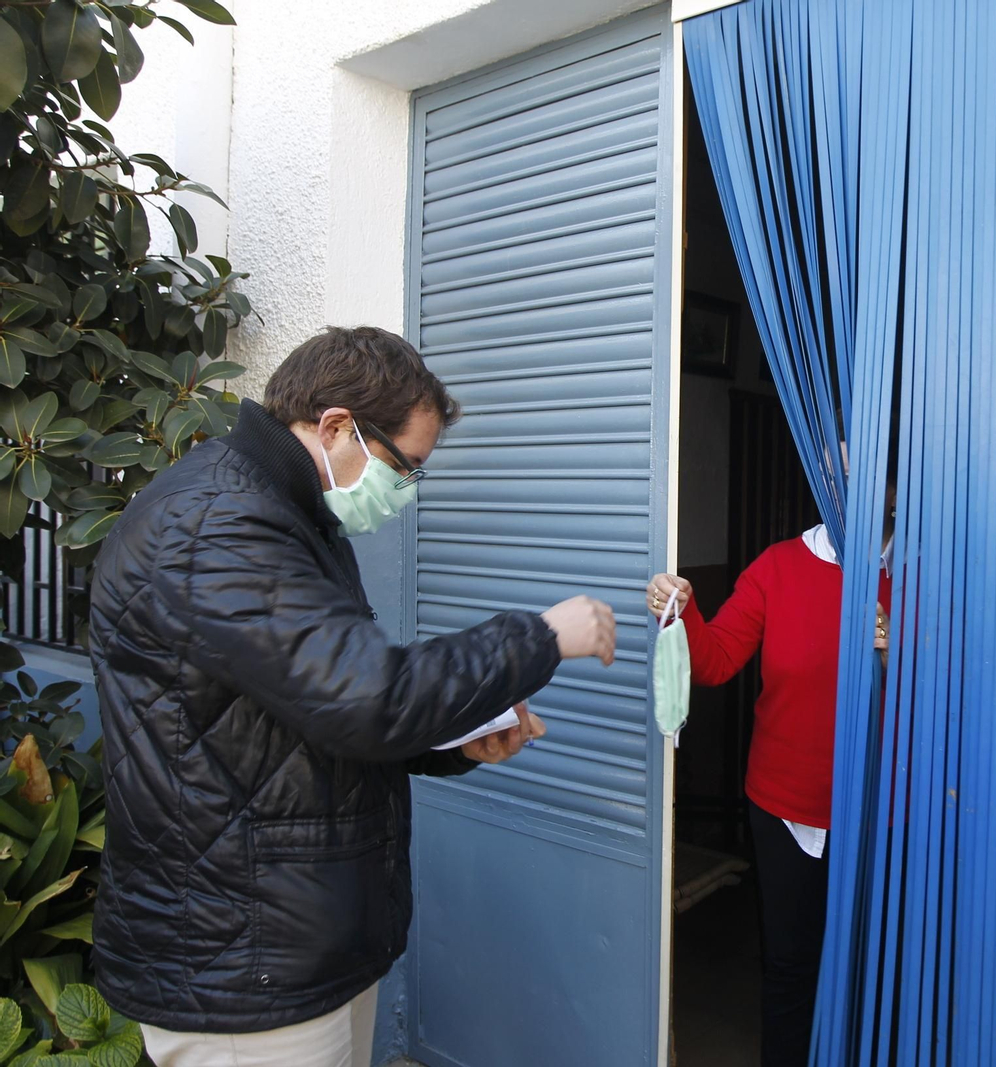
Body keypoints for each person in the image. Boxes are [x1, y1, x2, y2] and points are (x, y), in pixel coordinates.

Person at [88, 326, 617, 1067]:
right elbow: (367, 694)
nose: (405, 489)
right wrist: (541, 636)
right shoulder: (217, 525)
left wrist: (451, 743)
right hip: (240, 969)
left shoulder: (290, 516)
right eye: (405, 465)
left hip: (287, 943)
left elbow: (315, 710)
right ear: (336, 425)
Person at [646, 476, 894, 1067]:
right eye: (837, 470)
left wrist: (902, 650)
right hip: (785, 808)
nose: (849, 485)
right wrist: (680, 610)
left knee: (877, 965)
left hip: (886, 809)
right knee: (790, 966)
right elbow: (715, 660)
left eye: (867, 472)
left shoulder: (930, 569)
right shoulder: (780, 566)